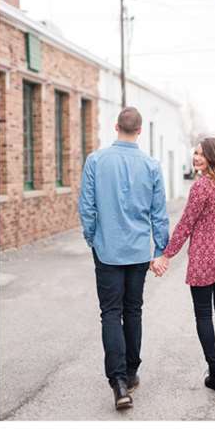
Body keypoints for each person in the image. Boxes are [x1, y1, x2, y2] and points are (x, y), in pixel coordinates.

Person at [78, 106, 169, 410]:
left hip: (107, 250)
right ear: (140, 131)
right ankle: (130, 372)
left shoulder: (95, 160)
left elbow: (87, 207)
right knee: (133, 310)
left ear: (115, 127)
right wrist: (160, 249)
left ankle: (118, 382)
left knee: (110, 313)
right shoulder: (152, 166)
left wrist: (93, 238)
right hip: (138, 251)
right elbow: (159, 213)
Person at [152, 137, 215, 393]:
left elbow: (186, 224)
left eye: (201, 154)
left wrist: (166, 255)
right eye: (195, 153)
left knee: (204, 314)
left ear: (212, 157)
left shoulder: (202, 186)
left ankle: (214, 373)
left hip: (206, 257)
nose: (196, 157)